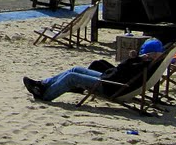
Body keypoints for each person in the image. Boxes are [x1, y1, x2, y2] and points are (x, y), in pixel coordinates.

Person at [22, 39, 166, 102]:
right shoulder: (149, 64)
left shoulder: (141, 65)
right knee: (76, 68)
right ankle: (42, 84)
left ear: (150, 54)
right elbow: (120, 72)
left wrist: (133, 59)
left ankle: (45, 96)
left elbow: (122, 69)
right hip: (110, 79)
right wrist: (136, 59)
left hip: (110, 86)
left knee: (72, 77)